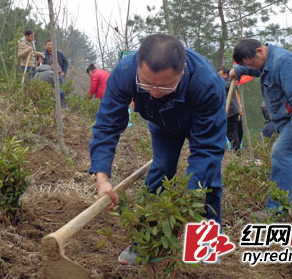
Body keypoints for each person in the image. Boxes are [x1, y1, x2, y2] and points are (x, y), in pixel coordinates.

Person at [89, 34, 226, 265]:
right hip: (161, 122)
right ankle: (146, 240)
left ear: (181, 72)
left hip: (198, 121)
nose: (153, 92)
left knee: (206, 181)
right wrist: (102, 178)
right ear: (137, 68)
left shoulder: (206, 83)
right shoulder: (125, 72)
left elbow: (207, 149)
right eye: (146, 84)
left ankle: (206, 244)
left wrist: (187, 199)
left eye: (164, 85)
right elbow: (107, 125)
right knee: (161, 169)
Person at [230, 39, 292, 214]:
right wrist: (240, 69)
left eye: (252, 64)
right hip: (287, 119)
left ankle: (277, 211)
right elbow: (256, 69)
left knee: (280, 156)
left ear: (259, 51)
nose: (254, 69)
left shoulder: (283, 61)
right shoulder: (266, 61)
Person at [217, 67, 241, 152]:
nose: (218, 76)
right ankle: (236, 152)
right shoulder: (225, 82)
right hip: (229, 112)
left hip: (231, 112)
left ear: (226, 75)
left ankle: (237, 152)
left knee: (232, 134)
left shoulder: (229, 82)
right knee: (231, 133)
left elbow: (223, 86)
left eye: (220, 75)